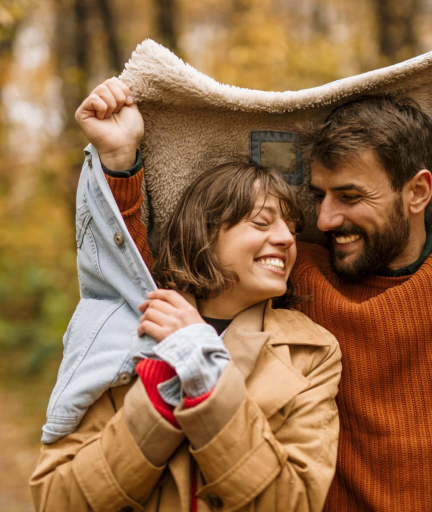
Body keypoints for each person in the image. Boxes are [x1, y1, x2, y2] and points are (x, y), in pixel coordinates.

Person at [51, 30, 432, 511]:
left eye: (349, 196)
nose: (322, 220)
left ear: (418, 191)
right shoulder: (304, 281)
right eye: (317, 196)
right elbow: (166, 272)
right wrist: (122, 161)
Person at [30, 124, 342, 508]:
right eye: (261, 222)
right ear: (205, 234)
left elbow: (294, 502)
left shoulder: (313, 351)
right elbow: (56, 500)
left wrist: (206, 374)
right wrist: (157, 402)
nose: (287, 239)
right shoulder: (120, 328)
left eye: (292, 228)